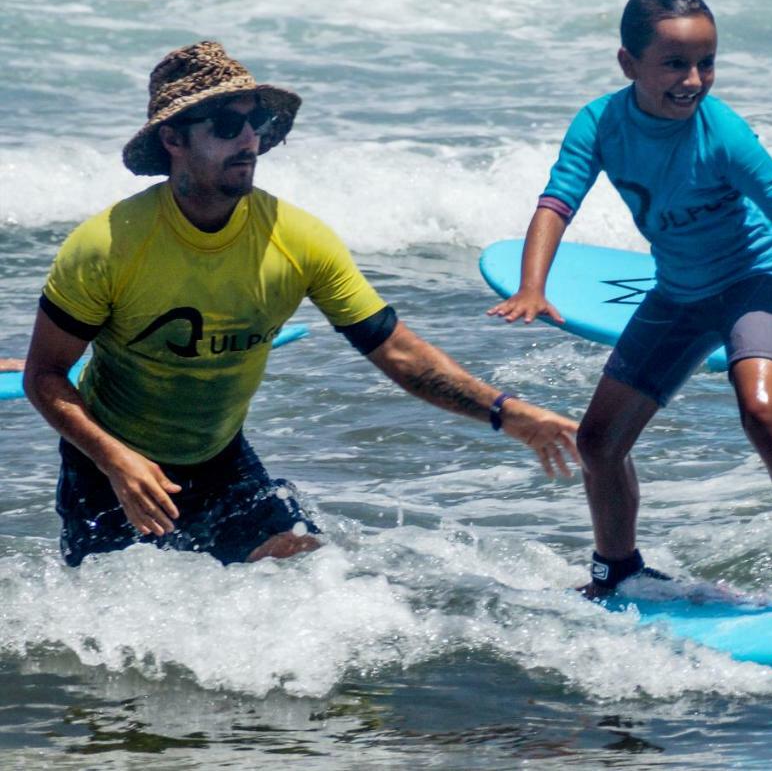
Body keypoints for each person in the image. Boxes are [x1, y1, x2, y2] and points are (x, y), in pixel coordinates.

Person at [24, 41, 579, 567]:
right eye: (225, 124)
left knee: (306, 571)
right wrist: (114, 459)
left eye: (256, 123)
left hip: (220, 462)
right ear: (173, 140)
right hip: (109, 468)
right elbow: (44, 375)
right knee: (113, 633)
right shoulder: (110, 245)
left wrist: (509, 414)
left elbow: (400, 354)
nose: (248, 140)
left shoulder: (296, 238)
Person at [488, 0, 772, 623]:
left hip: (758, 281)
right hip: (680, 292)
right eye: (674, 63)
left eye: (707, 62)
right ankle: (617, 572)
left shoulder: (722, 132)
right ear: (628, 64)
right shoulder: (600, 123)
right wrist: (533, 286)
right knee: (597, 442)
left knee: (760, 408)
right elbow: (556, 203)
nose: (693, 79)